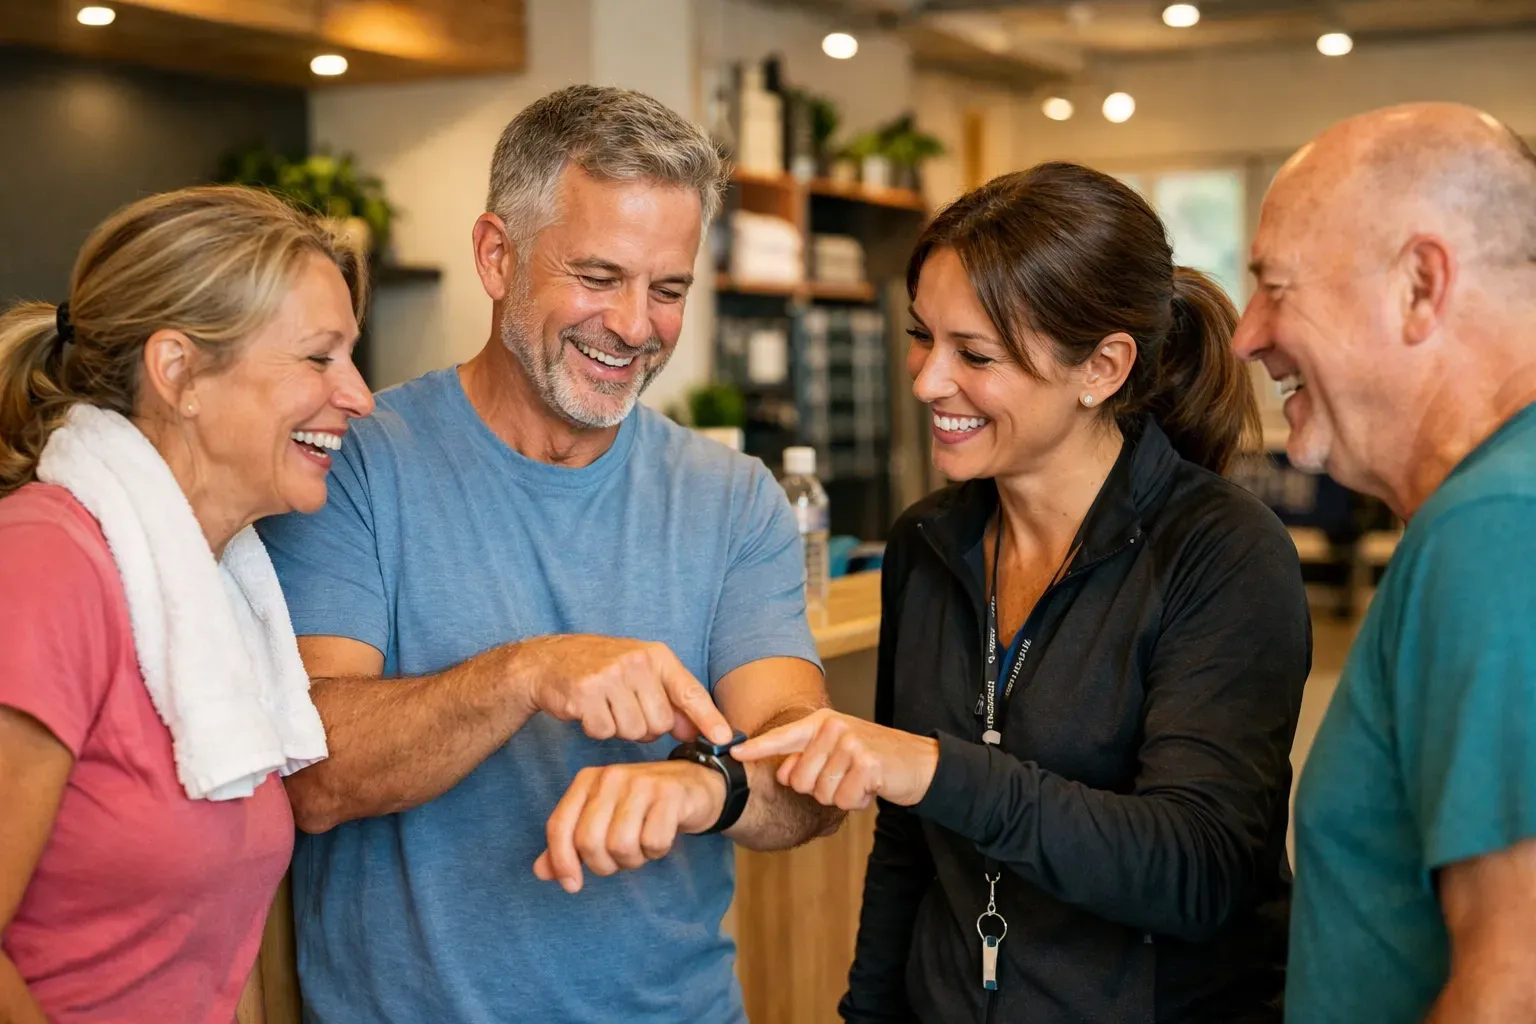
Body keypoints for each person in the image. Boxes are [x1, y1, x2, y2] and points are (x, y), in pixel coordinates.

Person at [253, 84, 837, 1023]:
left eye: (669, 289)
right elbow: (313, 778)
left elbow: (807, 782)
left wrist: (708, 785)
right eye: (599, 277)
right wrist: (527, 673)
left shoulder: (733, 498)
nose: (636, 326)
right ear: (497, 255)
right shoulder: (350, 463)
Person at [733, 162, 1312, 1022]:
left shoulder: (1221, 551)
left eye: (975, 354)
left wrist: (934, 768)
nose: (927, 381)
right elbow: (908, 851)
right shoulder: (928, 543)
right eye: (922, 336)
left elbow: (1196, 871)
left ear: (1103, 367)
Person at [0, 186, 373, 1023]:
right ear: (179, 373)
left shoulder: (216, 589)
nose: (359, 395)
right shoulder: (45, 566)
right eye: (319, 357)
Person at [1231, 103, 1536, 1023]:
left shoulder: (1495, 527)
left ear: (1419, 286)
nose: (1246, 334)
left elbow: (1515, 982)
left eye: (1274, 286)